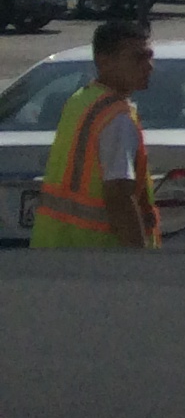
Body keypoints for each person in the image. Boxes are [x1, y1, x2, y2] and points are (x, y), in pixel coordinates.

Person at [32, 19, 161, 251]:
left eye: (149, 56)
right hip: (101, 255)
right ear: (104, 61)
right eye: (138, 58)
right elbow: (119, 195)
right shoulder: (116, 118)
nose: (149, 66)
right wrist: (140, 261)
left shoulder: (81, 100)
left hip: (55, 248)